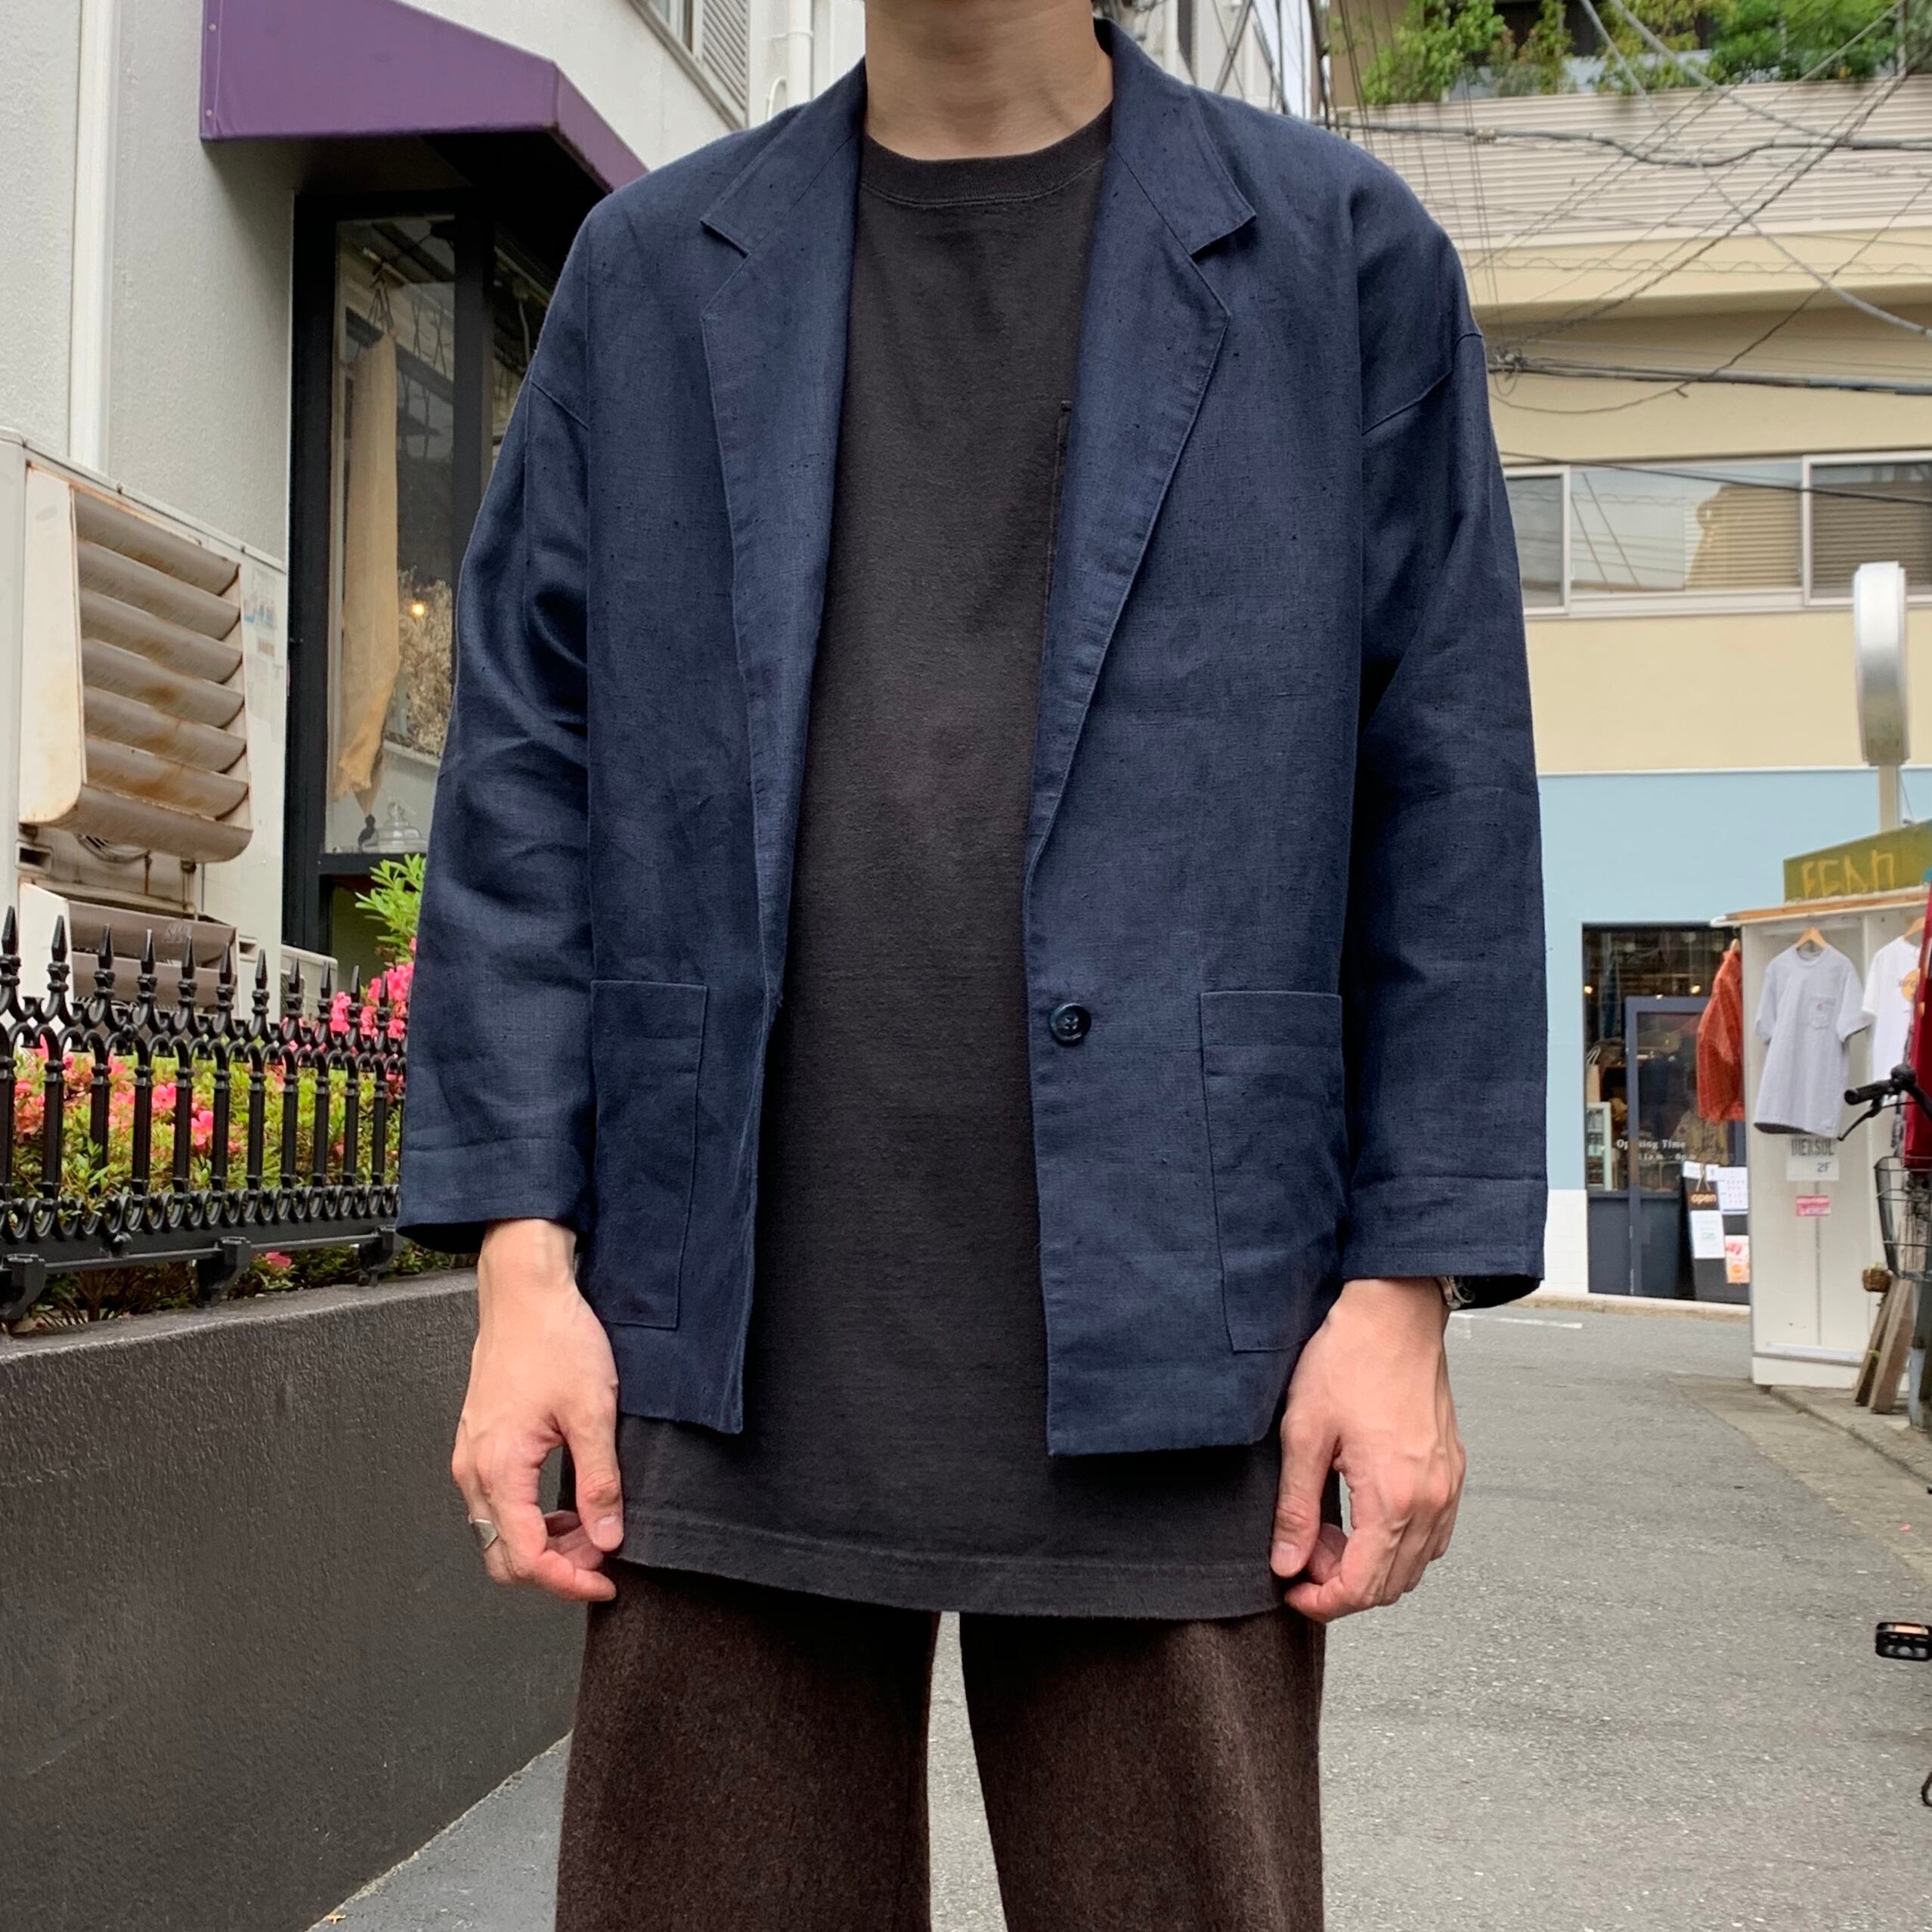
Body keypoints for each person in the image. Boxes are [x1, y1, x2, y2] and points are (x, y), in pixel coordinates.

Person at [397, 2, 1547, 1925]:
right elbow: (524, 784)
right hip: (718, 1312)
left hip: (1187, 1311)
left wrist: (1402, 1292)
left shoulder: (1342, 263)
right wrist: (522, 1268)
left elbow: (1448, 800)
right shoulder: (653, 271)